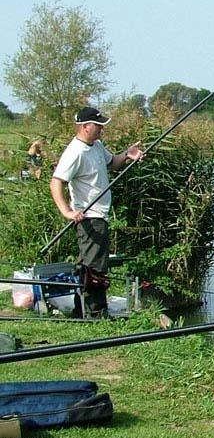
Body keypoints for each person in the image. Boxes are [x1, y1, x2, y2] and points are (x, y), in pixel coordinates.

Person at [49, 107, 143, 317]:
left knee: (93, 265)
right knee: (95, 268)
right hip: (89, 218)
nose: (101, 129)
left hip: (100, 216)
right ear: (85, 127)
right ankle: (95, 314)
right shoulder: (75, 152)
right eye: (98, 125)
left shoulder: (96, 146)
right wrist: (67, 211)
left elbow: (112, 164)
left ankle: (82, 309)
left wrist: (127, 155)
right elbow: (56, 182)